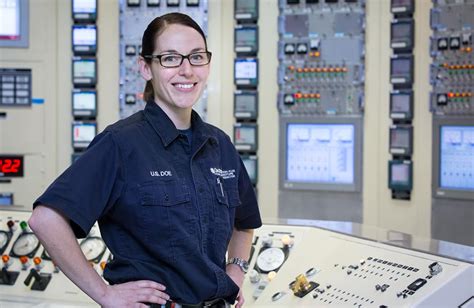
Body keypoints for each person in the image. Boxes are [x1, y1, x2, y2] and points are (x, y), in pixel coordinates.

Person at [29, 12, 262, 308]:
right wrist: (104, 294)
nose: (186, 70)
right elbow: (45, 219)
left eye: (196, 57)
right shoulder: (121, 144)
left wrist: (236, 270)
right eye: (170, 58)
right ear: (145, 67)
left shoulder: (220, 145)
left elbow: (244, 223)